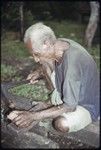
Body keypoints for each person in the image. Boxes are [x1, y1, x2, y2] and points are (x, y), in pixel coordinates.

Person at [7, 22, 100, 133]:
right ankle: (51, 105)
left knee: (61, 124)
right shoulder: (58, 43)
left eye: (36, 53)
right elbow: (47, 62)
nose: (35, 59)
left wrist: (34, 116)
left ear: (46, 44)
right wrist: (39, 72)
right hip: (72, 92)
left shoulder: (72, 64)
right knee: (44, 62)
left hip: (87, 105)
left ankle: (51, 107)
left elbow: (69, 106)